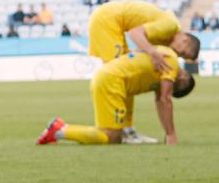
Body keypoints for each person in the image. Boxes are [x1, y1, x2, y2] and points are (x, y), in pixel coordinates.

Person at [85, 0, 200, 144]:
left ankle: (127, 129)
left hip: (112, 22)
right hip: (107, 21)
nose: (176, 54)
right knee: (118, 74)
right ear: (184, 39)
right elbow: (135, 33)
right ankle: (125, 130)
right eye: (182, 52)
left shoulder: (166, 36)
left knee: (125, 76)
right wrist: (151, 51)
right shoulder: (170, 27)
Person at [37, 48, 194, 145]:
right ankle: (60, 130)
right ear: (182, 79)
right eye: (175, 87)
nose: (167, 88)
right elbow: (164, 99)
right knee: (110, 137)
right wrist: (171, 134)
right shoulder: (171, 65)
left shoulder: (162, 55)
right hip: (111, 82)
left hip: (110, 78)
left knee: (116, 135)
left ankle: (126, 132)